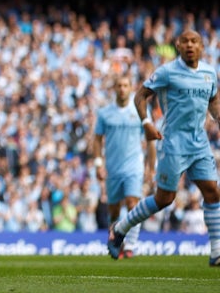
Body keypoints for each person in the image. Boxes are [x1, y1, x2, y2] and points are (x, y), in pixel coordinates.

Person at [108, 30, 220, 266]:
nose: (190, 45)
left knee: (212, 192)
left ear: (202, 46)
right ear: (178, 46)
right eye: (185, 41)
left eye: (194, 41)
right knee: (164, 198)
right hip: (173, 142)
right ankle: (121, 227)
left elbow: (213, 102)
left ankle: (216, 251)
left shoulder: (210, 72)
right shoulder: (167, 72)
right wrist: (147, 123)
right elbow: (140, 96)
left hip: (199, 142)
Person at [93, 75, 156, 258]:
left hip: (133, 167)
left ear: (130, 88)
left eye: (125, 85)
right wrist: (98, 163)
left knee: (132, 204)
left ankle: (130, 246)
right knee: (113, 209)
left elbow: (150, 140)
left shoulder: (140, 112)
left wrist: (150, 167)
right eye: (119, 85)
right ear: (114, 88)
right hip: (112, 168)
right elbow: (97, 140)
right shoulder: (105, 113)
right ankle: (115, 240)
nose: (122, 88)